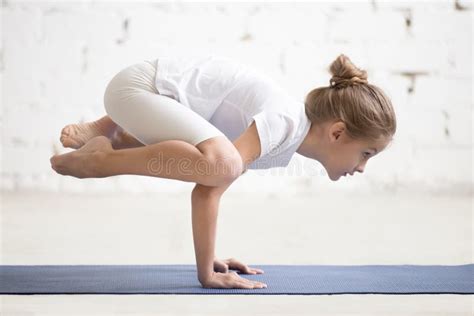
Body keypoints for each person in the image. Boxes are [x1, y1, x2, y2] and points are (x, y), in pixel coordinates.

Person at [50, 53, 397, 290]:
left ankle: (114, 135)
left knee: (221, 164)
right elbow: (212, 180)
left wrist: (209, 262)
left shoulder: (283, 137)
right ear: (337, 133)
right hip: (138, 90)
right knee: (224, 164)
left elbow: (209, 188)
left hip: (146, 98)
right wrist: (205, 276)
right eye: (366, 153)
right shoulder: (284, 123)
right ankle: (102, 156)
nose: (364, 167)